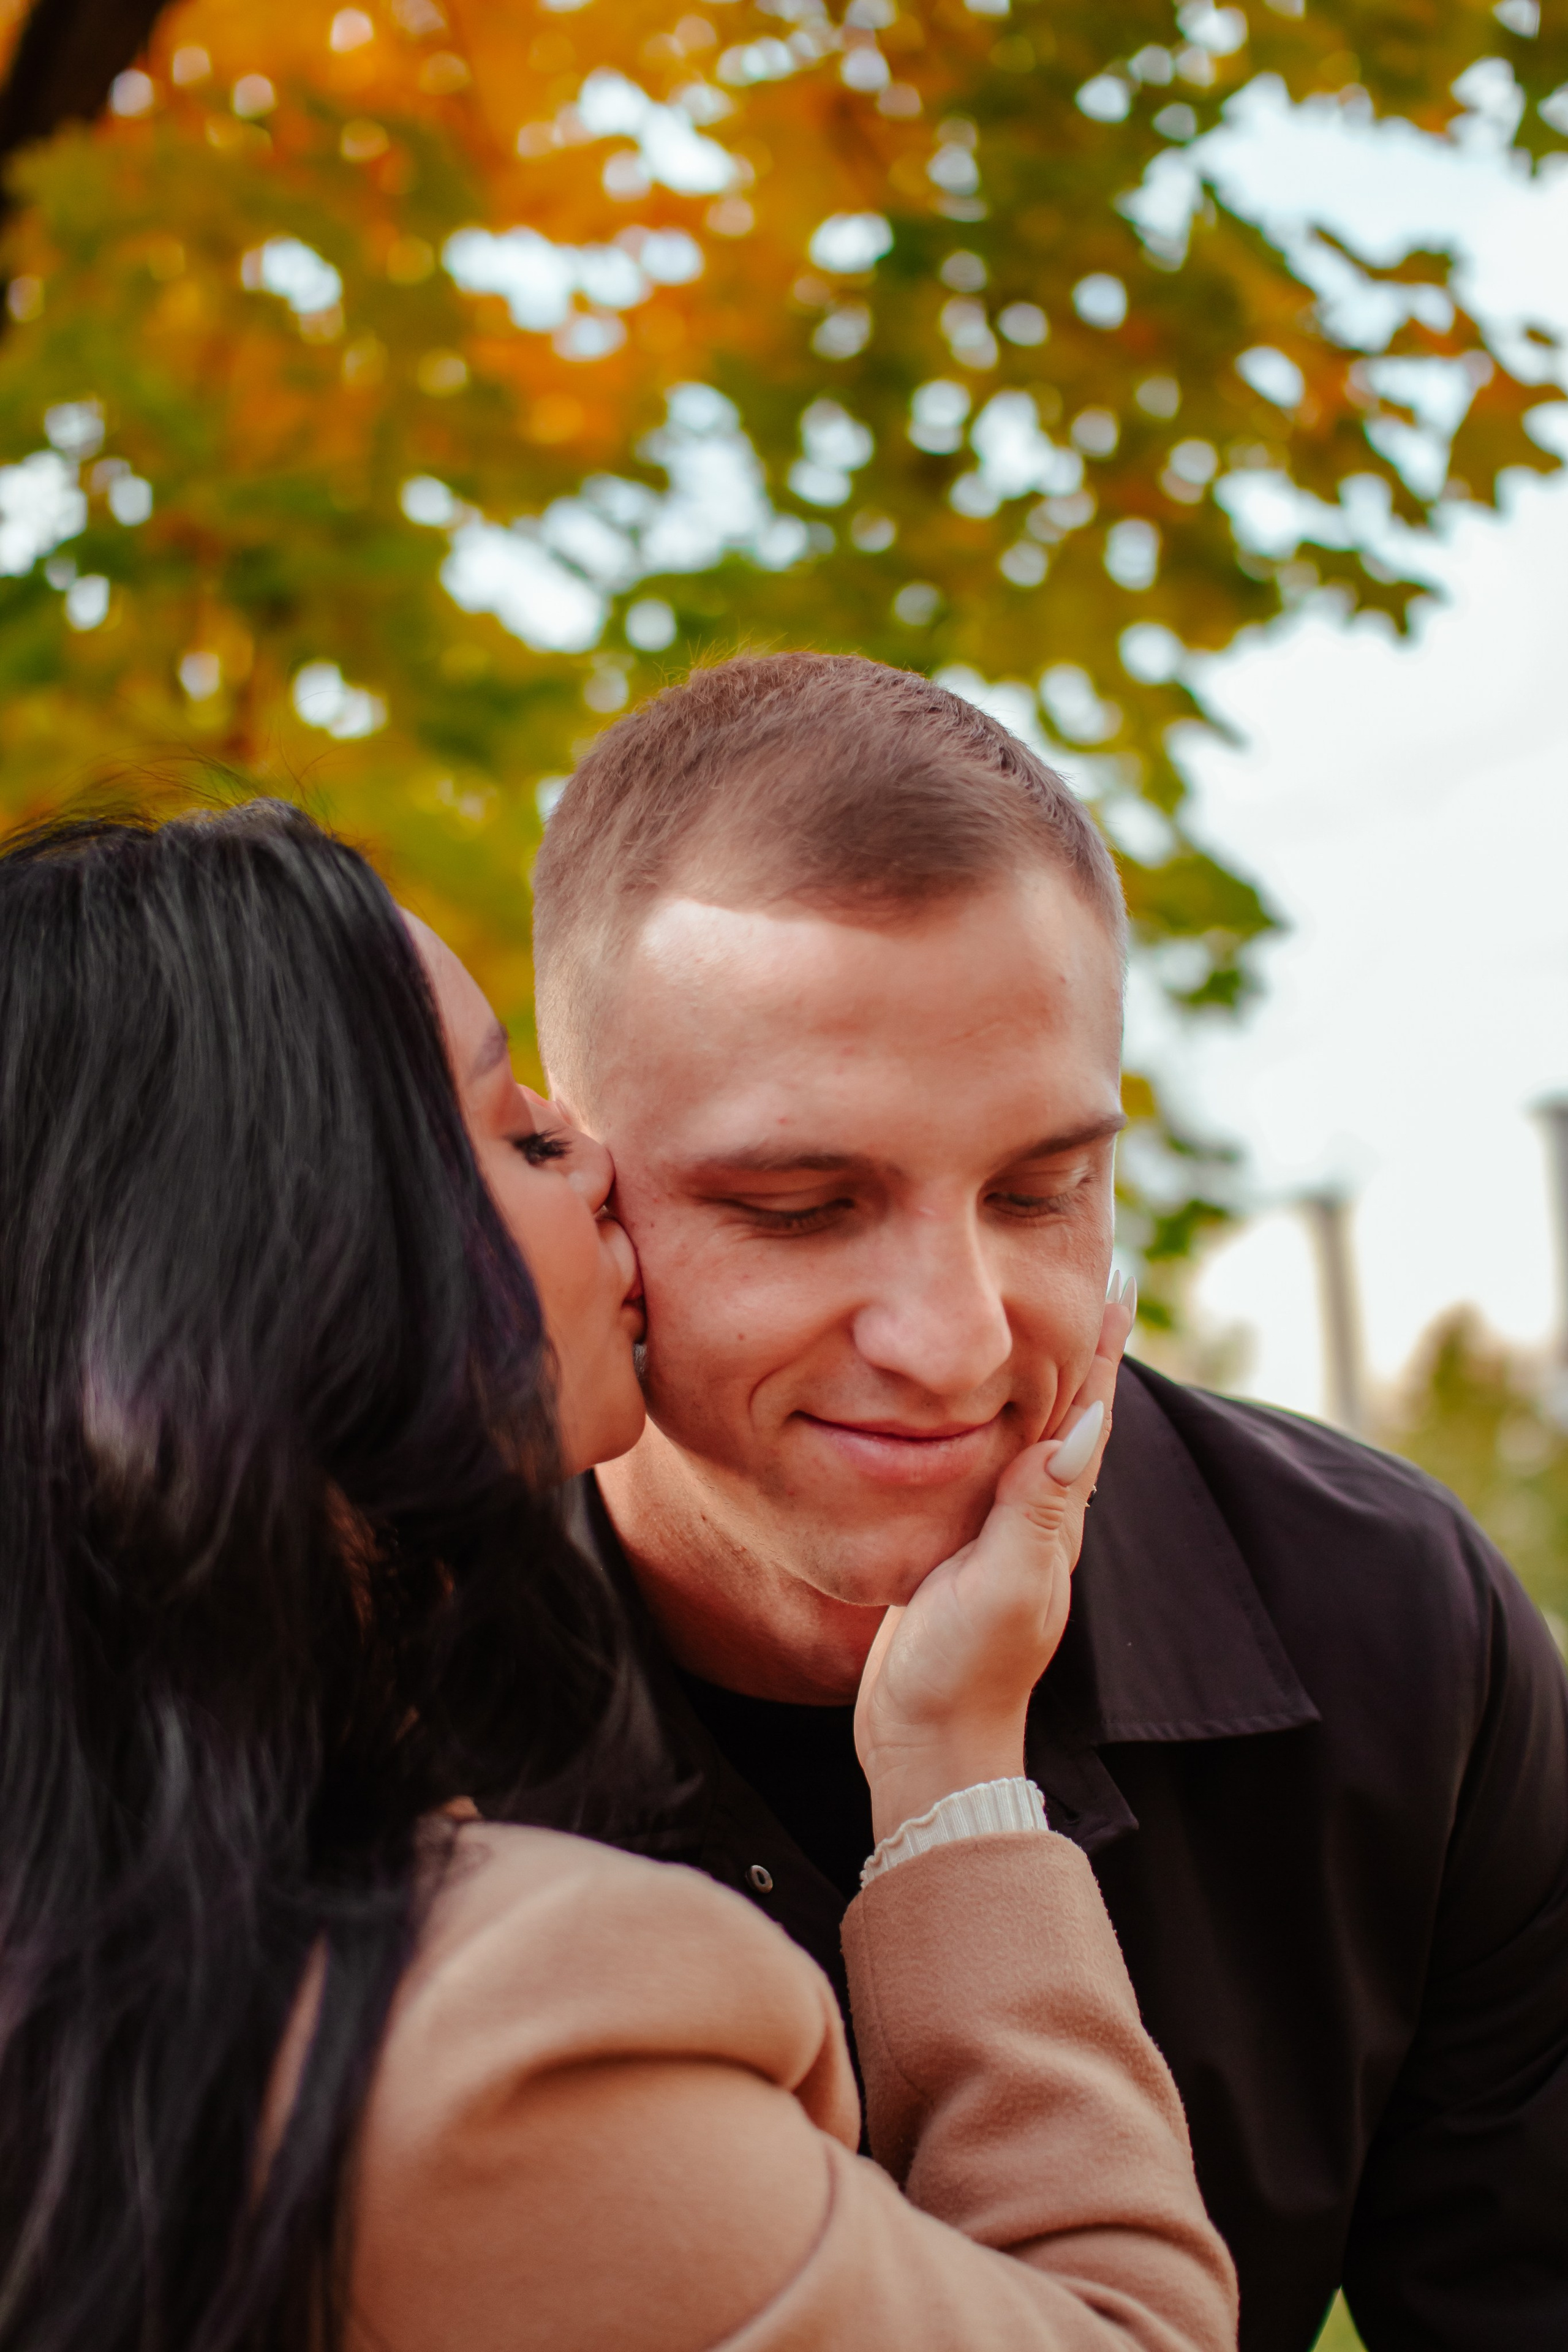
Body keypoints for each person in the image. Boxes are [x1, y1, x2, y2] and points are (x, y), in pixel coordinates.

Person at [0, 800, 1236, 2352]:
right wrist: (954, 1786)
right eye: (515, 1132)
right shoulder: (508, 2031)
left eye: (1037, 1191)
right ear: (290, 1268)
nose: (598, 1164)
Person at [529, 652, 1568, 2352]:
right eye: (799, 1206)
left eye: (1040, 1190)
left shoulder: (1391, 1624)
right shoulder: (345, 1677)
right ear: (577, 1184)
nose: (954, 1342)